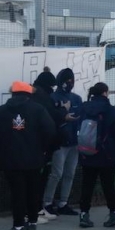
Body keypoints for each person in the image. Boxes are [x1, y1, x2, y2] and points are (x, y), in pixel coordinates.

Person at [0, 82, 56, 230]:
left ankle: (18, 227)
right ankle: (32, 223)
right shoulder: (38, 109)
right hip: (34, 158)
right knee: (33, 191)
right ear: (29, 94)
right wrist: (43, 149)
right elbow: (50, 130)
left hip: (10, 160)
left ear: (13, 94)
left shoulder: (3, 111)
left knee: (17, 193)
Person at [77, 83, 115, 230]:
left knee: (87, 184)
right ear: (105, 93)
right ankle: (113, 213)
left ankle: (84, 214)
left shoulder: (84, 108)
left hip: (87, 152)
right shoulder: (111, 110)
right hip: (107, 154)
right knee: (108, 185)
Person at [42, 68, 83, 216]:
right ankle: (47, 202)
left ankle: (63, 203)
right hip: (59, 142)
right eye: (67, 81)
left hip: (74, 141)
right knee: (56, 173)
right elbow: (50, 119)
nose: (70, 84)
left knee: (70, 173)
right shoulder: (52, 98)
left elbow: (81, 119)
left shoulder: (77, 98)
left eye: (72, 81)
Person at [30, 71, 67, 222]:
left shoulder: (35, 95)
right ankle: (36, 211)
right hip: (41, 146)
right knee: (39, 179)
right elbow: (51, 116)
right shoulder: (43, 97)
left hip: (33, 144)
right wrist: (64, 110)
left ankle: (35, 210)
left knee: (34, 179)